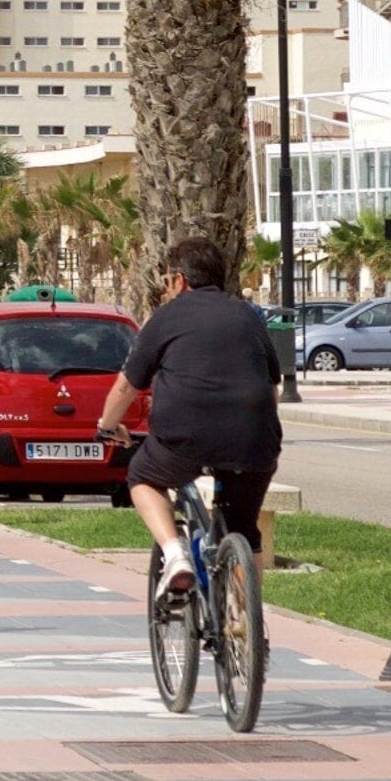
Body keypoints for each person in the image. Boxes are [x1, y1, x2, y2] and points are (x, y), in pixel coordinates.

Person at [96, 236, 282, 617]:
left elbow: (127, 385)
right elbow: (273, 384)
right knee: (244, 526)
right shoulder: (248, 314)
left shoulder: (166, 317)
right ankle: (245, 628)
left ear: (179, 280)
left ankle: (175, 554)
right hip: (255, 440)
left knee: (143, 477)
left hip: (184, 438)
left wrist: (106, 425)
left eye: (167, 279)